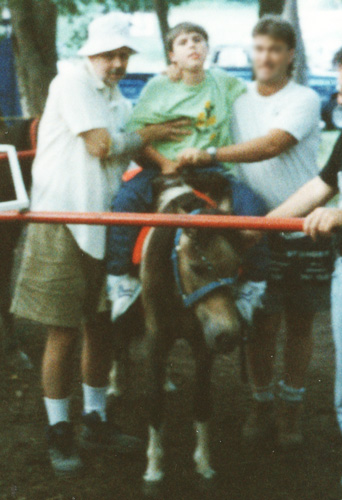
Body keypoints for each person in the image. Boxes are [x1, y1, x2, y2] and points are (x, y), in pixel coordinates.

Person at [10, 12, 189, 477]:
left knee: (101, 328)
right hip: (63, 221)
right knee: (63, 330)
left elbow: (134, 138)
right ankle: (58, 429)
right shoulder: (69, 83)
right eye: (109, 54)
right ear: (90, 54)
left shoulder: (114, 97)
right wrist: (151, 136)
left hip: (105, 225)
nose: (117, 63)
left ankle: (95, 418)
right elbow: (103, 145)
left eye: (123, 55)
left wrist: (168, 163)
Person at [177, 16, 326, 448]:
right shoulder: (237, 99)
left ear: (290, 55)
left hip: (303, 225)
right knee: (261, 323)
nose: (266, 57)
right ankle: (261, 400)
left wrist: (208, 153)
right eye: (259, 48)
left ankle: (292, 405)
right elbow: (196, 88)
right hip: (252, 230)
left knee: (300, 324)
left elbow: (272, 144)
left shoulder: (305, 97)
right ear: (251, 51)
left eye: (275, 49)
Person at [106, 22, 268, 323]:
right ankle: (120, 277)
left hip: (210, 168)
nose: (192, 45)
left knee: (253, 207)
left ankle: (252, 284)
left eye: (198, 40)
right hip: (166, 168)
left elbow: (260, 88)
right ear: (172, 55)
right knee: (126, 201)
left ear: (207, 49)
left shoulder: (223, 82)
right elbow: (137, 135)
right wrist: (164, 163)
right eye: (183, 42)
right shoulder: (160, 87)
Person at [267, 42, 342, 499]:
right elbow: (321, 187)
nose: (341, 99)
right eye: (340, 90)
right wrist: (259, 228)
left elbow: (338, 208)